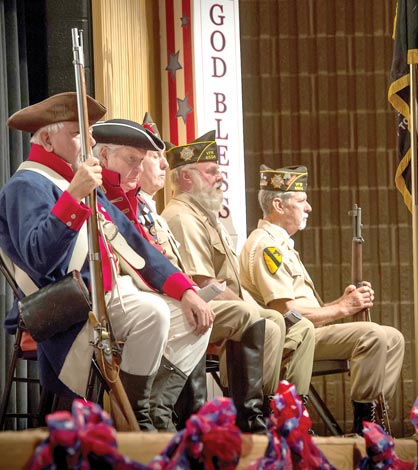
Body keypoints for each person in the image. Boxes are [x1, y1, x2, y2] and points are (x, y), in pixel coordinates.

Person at [0, 93, 213, 432]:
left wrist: (185, 289)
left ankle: (141, 410)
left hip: (106, 294)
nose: (87, 141)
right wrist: (72, 196)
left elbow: (134, 243)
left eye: (88, 132)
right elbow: (39, 258)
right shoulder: (27, 185)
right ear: (46, 139)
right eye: (75, 132)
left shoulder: (82, 185)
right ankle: (133, 419)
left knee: (192, 318)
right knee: (153, 313)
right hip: (66, 303)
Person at [91, 116, 284, 434]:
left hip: (144, 296)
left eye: (144, 160)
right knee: (219, 314)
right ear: (103, 157)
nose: (143, 169)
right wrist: (188, 292)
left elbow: (154, 259)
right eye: (134, 160)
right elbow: (141, 261)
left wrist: (187, 292)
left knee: (205, 313)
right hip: (111, 300)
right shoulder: (109, 200)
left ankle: (168, 412)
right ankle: (172, 414)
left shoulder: (139, 205)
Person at [239, 164, 405, 434]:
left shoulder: (282, 245)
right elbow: (287, 314)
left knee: (393, 338)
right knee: (373, 335)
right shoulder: (267, 246)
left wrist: (341, 302)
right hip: (292, 339)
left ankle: (376, 417)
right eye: (302, 201)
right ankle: (363, 425)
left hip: (311, 332)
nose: (309, 208)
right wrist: (342, 308)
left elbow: (301, 309)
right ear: (279, 205)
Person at [160, 131, 316, 409]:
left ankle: (278, 410)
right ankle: (253, 413)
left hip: (219, 310)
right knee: (264, 319)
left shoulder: (204, 217)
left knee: (293, 325)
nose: (219, 177)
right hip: (194, 312)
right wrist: (256, 311)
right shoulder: (182, 217)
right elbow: (205, 283)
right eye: (211, 172)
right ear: (186, 178)